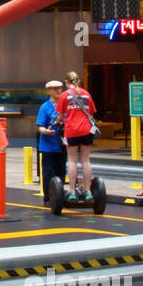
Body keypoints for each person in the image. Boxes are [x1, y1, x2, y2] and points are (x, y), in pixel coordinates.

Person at [56, 71, 97, 202]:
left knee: (72, 160)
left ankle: (72, 191)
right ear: (78, 81)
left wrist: (58, 121)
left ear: (67, 82)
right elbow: (91, 112)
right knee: (86, 160)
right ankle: (88, 191)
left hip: (72, 130)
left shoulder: (64, 95)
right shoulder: (86, 94)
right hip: (86, 130)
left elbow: (60, 116)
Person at [36, 80, 66, 201]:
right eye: (55, 88)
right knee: (47, 172)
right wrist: (46, 131)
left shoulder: (65, 105)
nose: (58, 90)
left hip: (62, 144)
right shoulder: (45, 107)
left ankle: (59, 195)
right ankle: (48, 196)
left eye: (59, 88)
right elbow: (40, 126)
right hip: (48, 146)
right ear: (48, 91)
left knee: (61, 171)